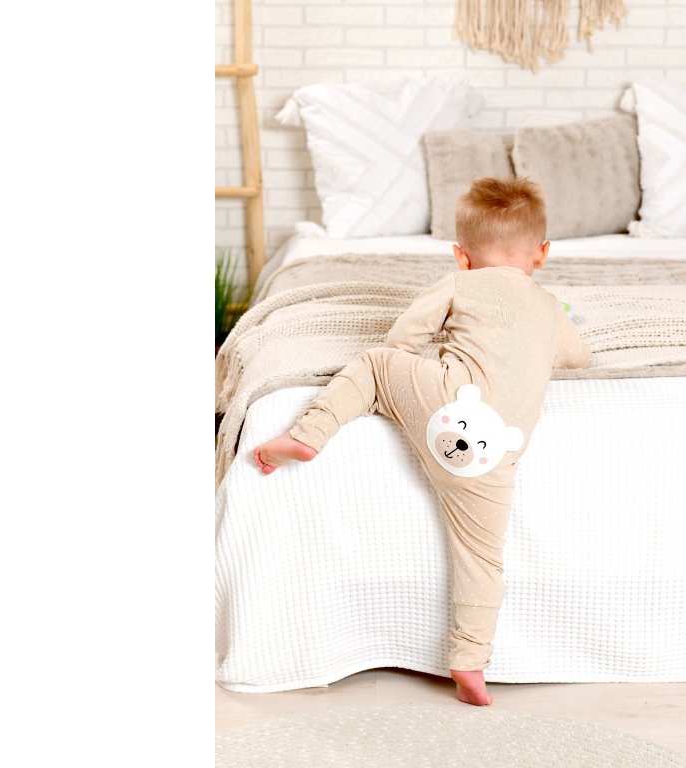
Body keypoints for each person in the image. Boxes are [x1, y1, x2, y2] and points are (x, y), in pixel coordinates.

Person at [252, 176, 592, 705]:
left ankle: (309, 434)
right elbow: (579, 358)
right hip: (497, 451)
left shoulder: (458, 284)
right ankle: (470, 664)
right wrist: (552, 327)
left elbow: (401, 339)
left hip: (447, 406)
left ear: (462, 256)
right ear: (542, 253)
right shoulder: (548, 306)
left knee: (376, 364)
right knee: (482, 558)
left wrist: (423, 368)